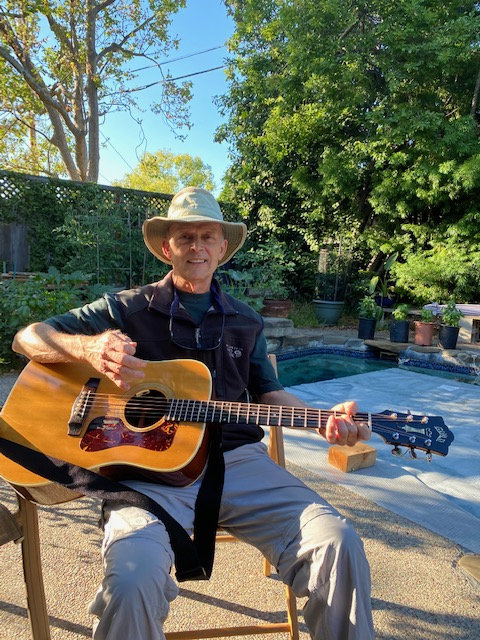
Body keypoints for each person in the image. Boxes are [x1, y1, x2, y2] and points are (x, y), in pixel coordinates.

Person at [12, 186, 374, 640]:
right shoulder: (125, 308)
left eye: (207, 237)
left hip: (237, 463)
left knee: (338, 543)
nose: (197, 247)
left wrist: (322, 420)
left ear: (222, 249)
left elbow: (269, 393)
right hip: (146, 475)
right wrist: (87, 348)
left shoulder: (247, 321)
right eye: (185, 237)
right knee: (131, 579)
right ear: (168, 248)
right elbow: (27, 338)